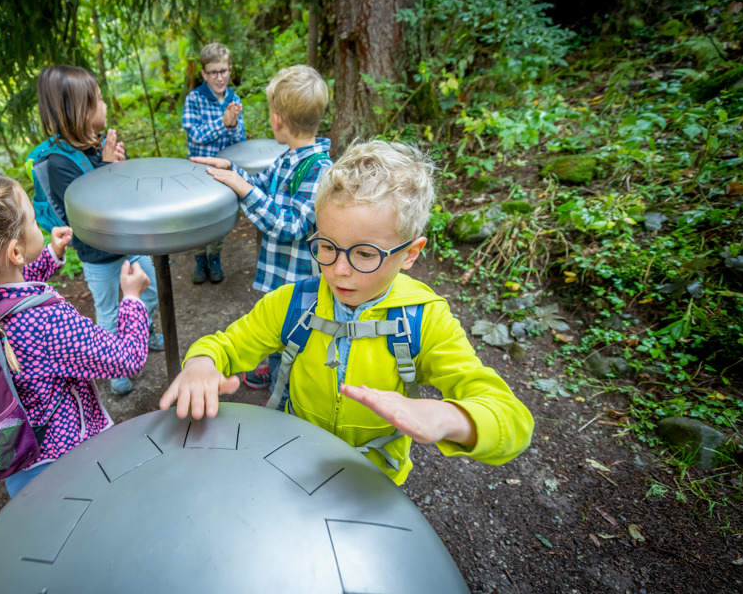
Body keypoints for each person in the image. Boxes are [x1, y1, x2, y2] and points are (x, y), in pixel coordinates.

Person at [160, 141, 534, 486]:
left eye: (365, 254)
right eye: (327, 246)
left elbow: (511, 420)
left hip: (374, 481)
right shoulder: (294, 302)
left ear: (411, 253)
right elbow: (224, 345)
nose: (339, 270)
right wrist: (202, 364)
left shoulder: (426, 320)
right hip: (295, 463)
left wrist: (447, 418)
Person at [0, 171, 151, 497]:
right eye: (34, 221)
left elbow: (4, 282)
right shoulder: (46, 322)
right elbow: (126, 358)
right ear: (15, 252)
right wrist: (132, 299)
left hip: (21, 459)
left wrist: (51, 253)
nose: (39, 226)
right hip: (72, 459)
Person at [191, 64, 331, 402]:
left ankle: (284, 402)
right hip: (281, 279)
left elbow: (290, 225)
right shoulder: (288, 159)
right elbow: (259, 184)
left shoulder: (320, 170)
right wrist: (232, 170)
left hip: (300, 285)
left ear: (278, 119)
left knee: (293, 346)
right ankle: (270, 372)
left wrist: (242, 189)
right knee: (277, 330)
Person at [26, 65, 164, 396]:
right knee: (107, 311)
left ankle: (138, 332)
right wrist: (107, 167)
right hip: (97, 253)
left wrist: (118, 164)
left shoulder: (96, 142)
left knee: (154, 289)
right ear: (78, 111)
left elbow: (125, 192)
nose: (104, 106)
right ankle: (117, 367)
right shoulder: (58, 162)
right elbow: (91, 208)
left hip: (128, 239)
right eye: (98, 100)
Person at [182, 42, 246, 285]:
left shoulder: (234, 98)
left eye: (224, 71)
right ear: (204, 74)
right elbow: (195, 135)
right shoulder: (194, 99)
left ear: (230, 69)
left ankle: (215, 256)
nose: (220, 77)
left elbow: (239, 140)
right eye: (213, 72)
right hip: (199, 170)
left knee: (221, 213)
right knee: (199, 215)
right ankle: (200, 258)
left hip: (224, 169)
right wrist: (222, 122)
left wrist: (232, 125)